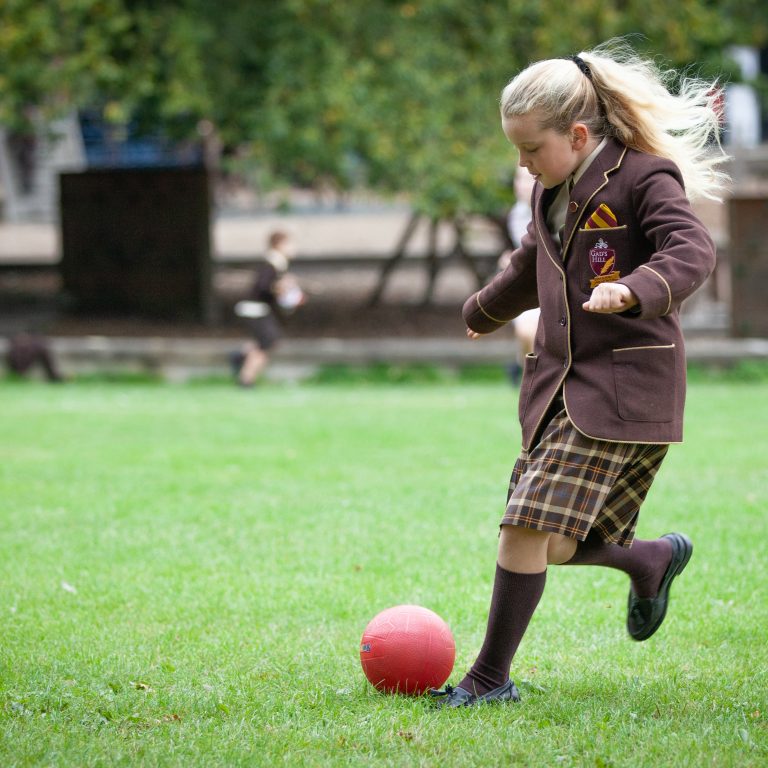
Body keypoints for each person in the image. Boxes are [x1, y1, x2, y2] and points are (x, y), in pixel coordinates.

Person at [430, 40, 727, 708]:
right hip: (561, 388)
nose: (523, 162)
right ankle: (647, 559)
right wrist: (482, 310)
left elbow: (692, 249)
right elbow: (527, 267)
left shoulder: (644, 178)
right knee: (555, 544)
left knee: (522, 527)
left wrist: (637, 288)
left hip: (623, 389)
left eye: (531, 148)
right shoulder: (551, 190)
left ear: (579, 134)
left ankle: (487, 680)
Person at [232, 230, 305, 387]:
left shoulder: (277, 265)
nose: (293, 248)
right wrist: (281, 287)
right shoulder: (271, 264)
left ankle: (240, 357)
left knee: (265, 341)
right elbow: (263, 287)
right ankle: (246, 379)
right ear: (279, 245)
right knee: (268, 341)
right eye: (290, 244)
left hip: (259, 310)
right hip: (255, 310)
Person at [499, 165, 540, 383]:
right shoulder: (517, 214)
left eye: (528, 179)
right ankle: (532, 385)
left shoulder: (553, 209)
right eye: (518, 179)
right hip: (529, 287)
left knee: (531, 334)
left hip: (551, 285)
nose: (521, 185)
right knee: (525, 332)